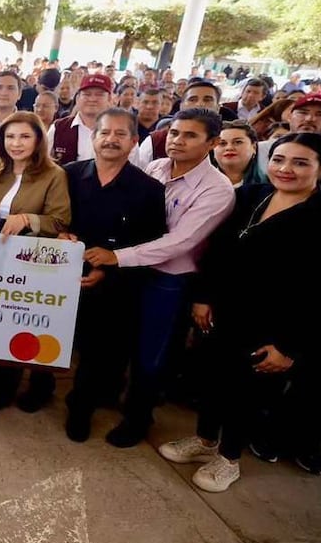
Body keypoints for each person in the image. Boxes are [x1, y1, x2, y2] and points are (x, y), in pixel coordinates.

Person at [159, 133, 321, 490]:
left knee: (246, 393)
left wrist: (290, 346)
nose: (286, 169)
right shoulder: (250, 196)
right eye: (278, 160)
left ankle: (229, 459)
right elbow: (216, 252)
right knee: (212, 379)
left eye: (300, 162)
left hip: (276, 326)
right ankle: (204, 440)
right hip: (224, 312)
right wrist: (203, 297)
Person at [85, 108, 235, 447]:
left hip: (167, 279)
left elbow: (179, 242)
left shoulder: (217, 190)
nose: (178, 140)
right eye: (175, 133)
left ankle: (138, 418)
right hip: (128, 271)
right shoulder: (155, 167)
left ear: (211, 143)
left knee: (151, 353)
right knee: (118, 339)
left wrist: (116, 256)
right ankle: (111, 394)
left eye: (190, 135)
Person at [60, 108, 167, 442]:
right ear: (93, 138)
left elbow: (148, 244)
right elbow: (55, 219)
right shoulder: (69, 175)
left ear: (134, 142)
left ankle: (81, 409)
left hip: (112, 283)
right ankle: (40, 387)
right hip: (61, 277)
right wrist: (60, 235)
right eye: (105, 132)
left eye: (121, 134)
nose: (111, 139)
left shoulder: (149, 189)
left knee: (98, 351)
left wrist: (107, 271)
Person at [0, 112, 71, 412]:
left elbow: (61, 221)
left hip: (30, 261)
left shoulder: (54, 175)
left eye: (25, 136)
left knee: (19, 323)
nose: (16, 143)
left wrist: (27, 218)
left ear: (38, 139)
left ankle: (20, 387)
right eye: (10, 136)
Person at [47, 74, 113, 165]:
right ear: (77, 98)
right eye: (87, 94)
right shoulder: (58, 128)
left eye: (99, 95)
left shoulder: (121, 132)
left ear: (109, 99)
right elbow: (44, 165)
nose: (92, 99)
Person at [213, 121, 266, 187]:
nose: (229, 148)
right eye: (222, 143)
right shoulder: (201, 180)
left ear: (254, 147)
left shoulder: (268, 182)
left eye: (238, 142)